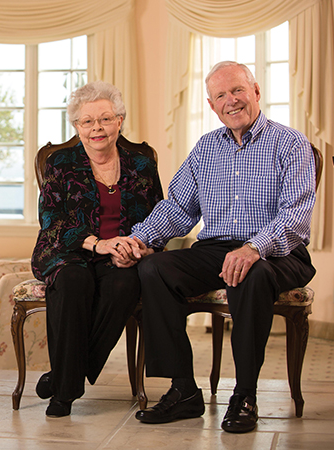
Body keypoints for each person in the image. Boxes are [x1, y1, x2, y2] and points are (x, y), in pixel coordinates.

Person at [129, 61, 317, 433]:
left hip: (280, 250)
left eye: (237, 91)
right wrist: (140, 238)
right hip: (217, 248)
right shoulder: (205, 148)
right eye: (220, 96)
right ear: (212, 105)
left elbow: (296, 214)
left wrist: (254, 247)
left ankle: (245, 394)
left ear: (256, 92)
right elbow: (179, 208)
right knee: (154, 269)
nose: (230, 101)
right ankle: (182, 389)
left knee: (251, 274)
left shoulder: (290, 142)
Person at [31, 80, 163, 417]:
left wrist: (137, 248)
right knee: (75, 281)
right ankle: (66, 391)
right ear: (76, 126)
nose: (96, 129)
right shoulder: (60, 163)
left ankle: (63, 376)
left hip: (122, 254)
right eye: (87, 121)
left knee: (126, 284)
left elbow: (161, 217)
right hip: (67, 250)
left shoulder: (142, 165)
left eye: (105, 119)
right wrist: (99, 244)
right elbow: (51, 219)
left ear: (120, 120)